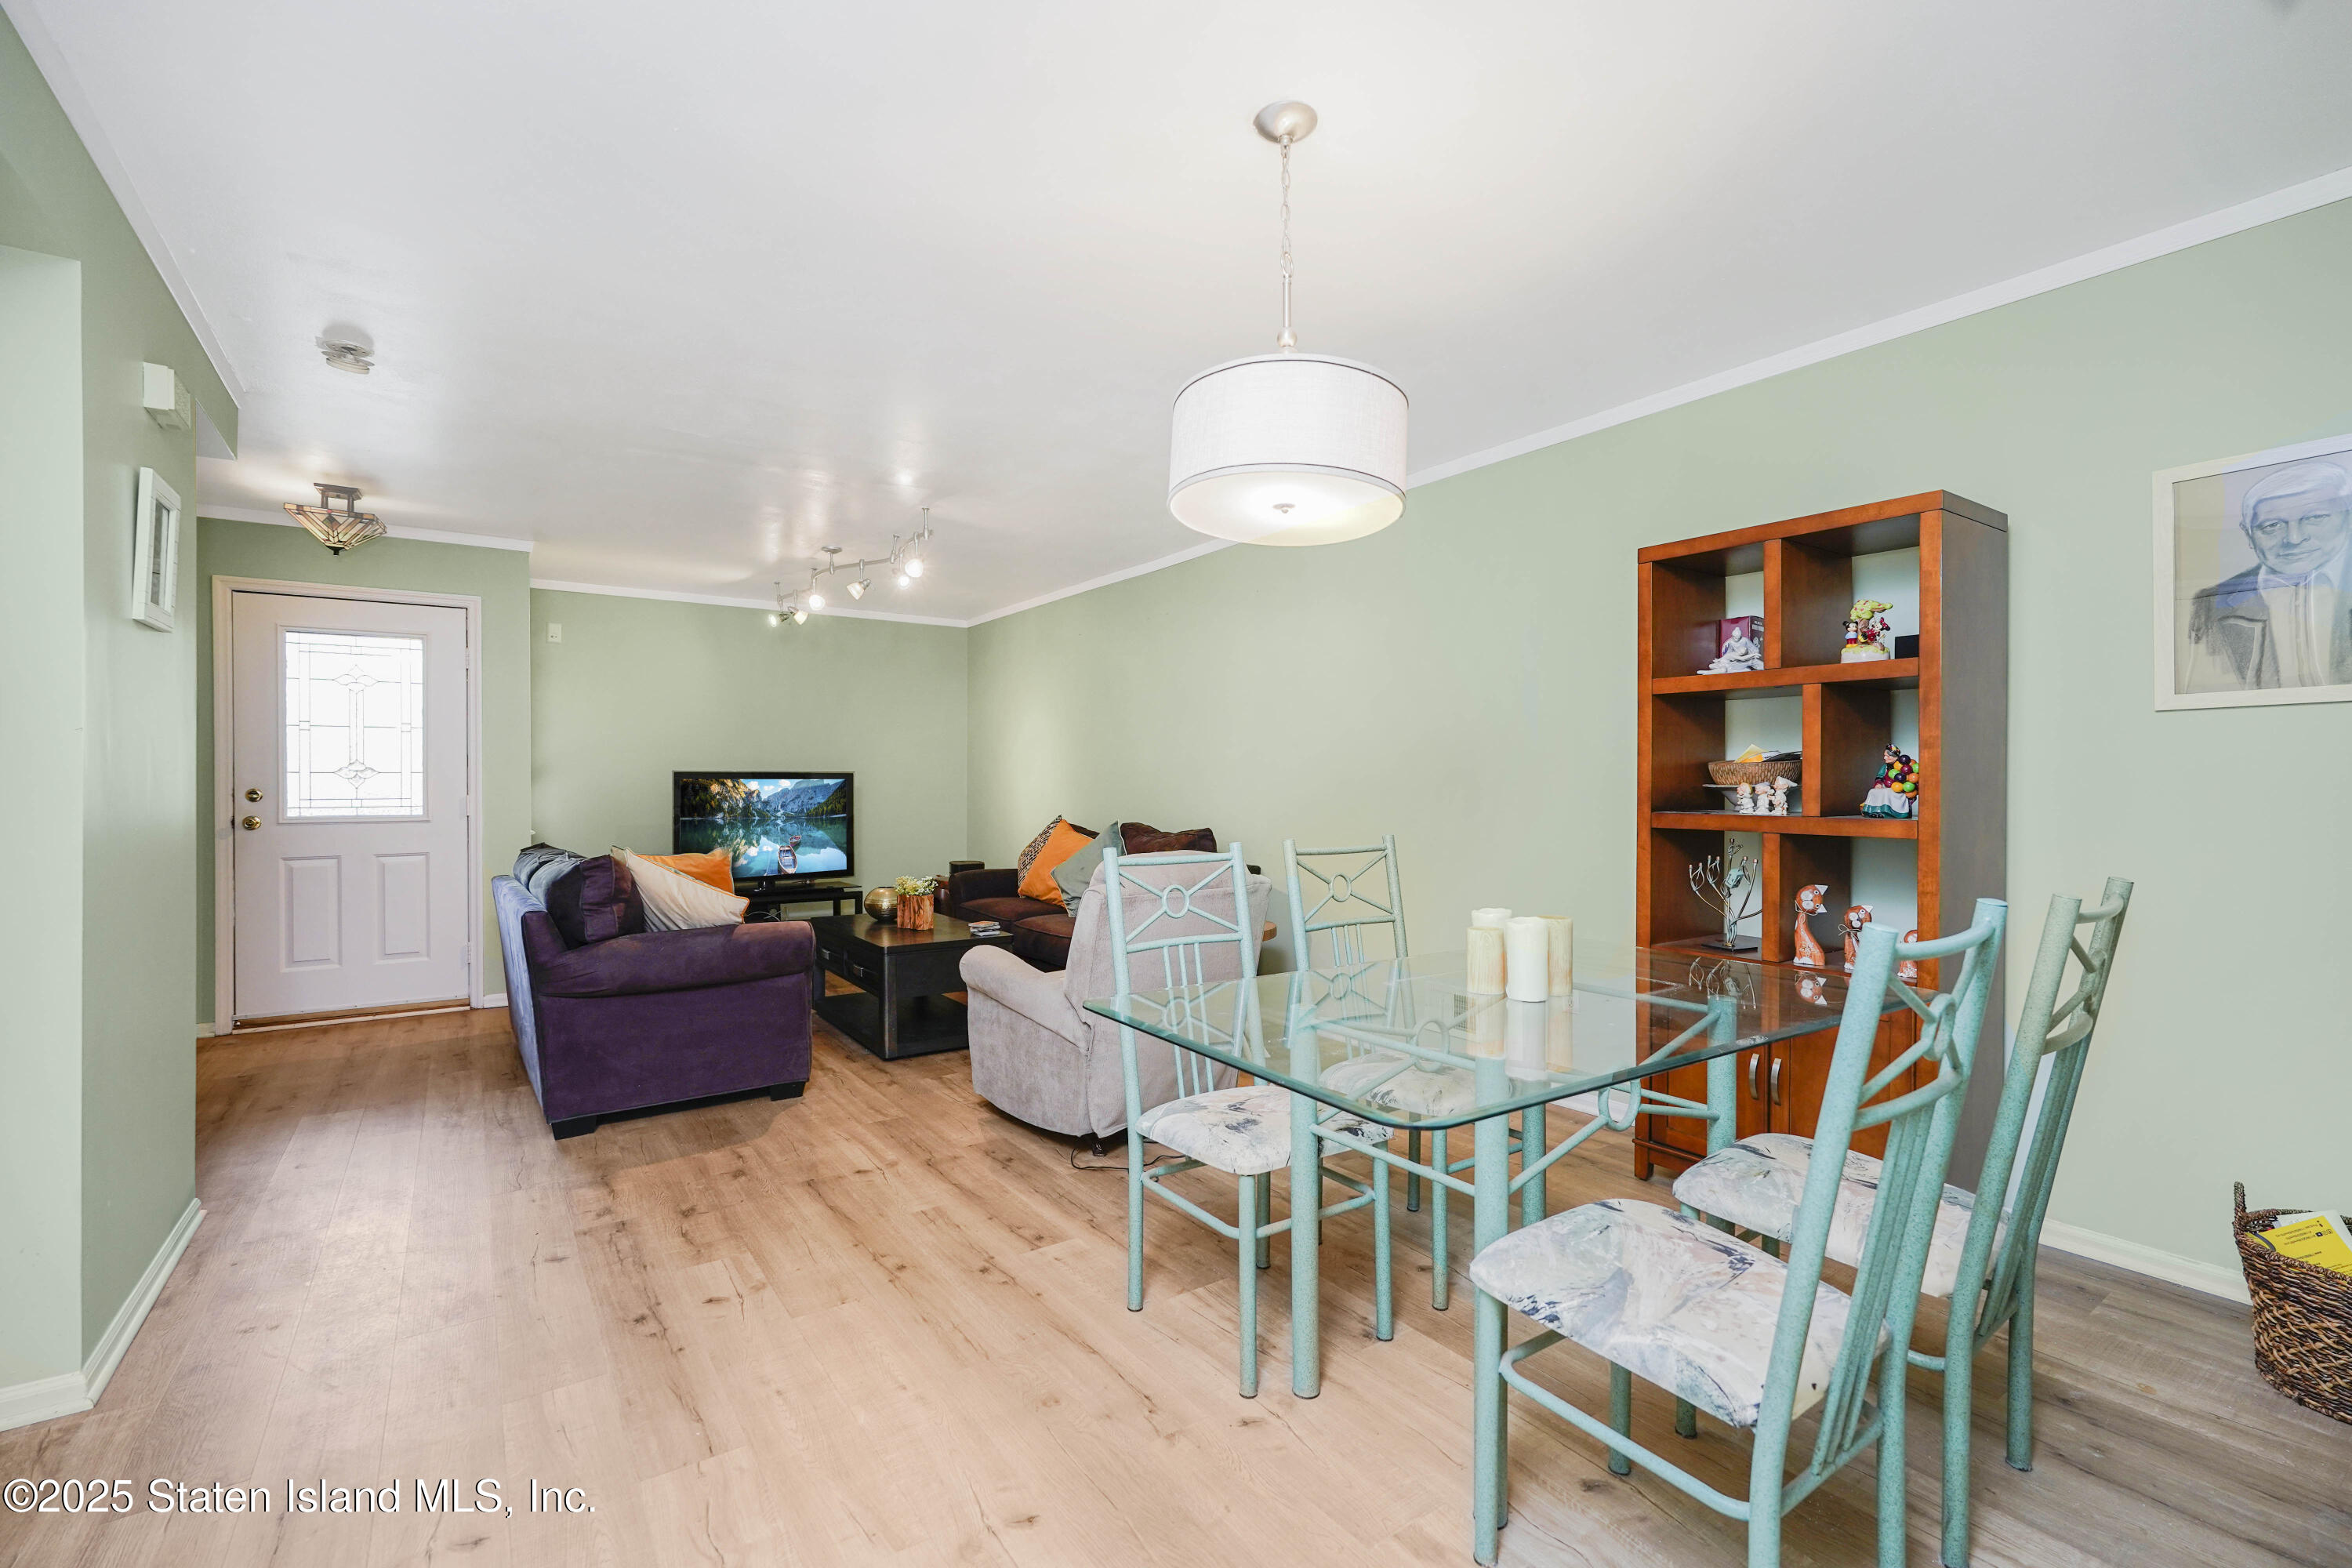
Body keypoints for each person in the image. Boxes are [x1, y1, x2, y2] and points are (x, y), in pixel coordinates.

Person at [2186, 459, 2352, 691]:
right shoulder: (2211, 603)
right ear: (2248, 535)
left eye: (2315, 518)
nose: (2294, 538)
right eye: (2272, 525)